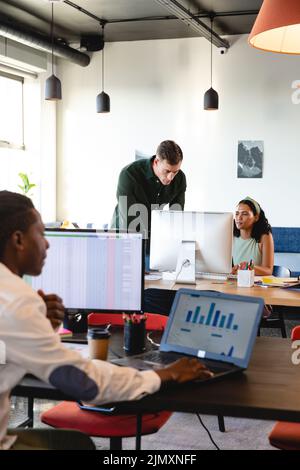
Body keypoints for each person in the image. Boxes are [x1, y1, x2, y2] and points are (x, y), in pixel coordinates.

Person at [0, 191, 212, 450]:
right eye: (41, 234)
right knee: (77, 446)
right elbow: (85, 383)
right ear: (19, 240)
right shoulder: (17, 300)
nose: (47, 244)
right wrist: (163, 375)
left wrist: (38, 325)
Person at [111, 140, 186, 256]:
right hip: (122, 235)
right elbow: (128, 225)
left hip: (151, 237)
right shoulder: (129, 175)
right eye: (167, 171)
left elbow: (176, 217)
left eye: (175, 172)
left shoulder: (180, 179)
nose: (171, 177)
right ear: (156, 162)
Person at [232, 197, 274, 276]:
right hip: (236, 282)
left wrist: (248, 267)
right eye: (237, 213)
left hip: (257, 284)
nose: (239, 217)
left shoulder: (265, 236)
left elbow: (268, 270)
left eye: (244, 214)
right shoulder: (231, 235)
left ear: (256, 217)